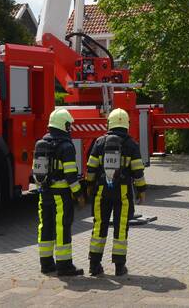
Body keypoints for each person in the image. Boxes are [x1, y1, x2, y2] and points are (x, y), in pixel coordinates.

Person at [83, 108, 146, 277]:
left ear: (109, 123)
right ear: (127, 124)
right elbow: (138, 170)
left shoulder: (99, 142)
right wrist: (141, 190)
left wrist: (89, 185)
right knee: (121, 228)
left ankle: (94, 266)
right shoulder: (132, 144)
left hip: (102, 191)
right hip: (123, 192)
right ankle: (119, 267)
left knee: (98, 227)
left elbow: (91, 168)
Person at [35, 108, 86, 277]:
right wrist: (79, 194)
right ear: (63, 125)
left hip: (44, 193)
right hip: (61, 195)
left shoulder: (41, 143)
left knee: (45, 226)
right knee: (62, 227)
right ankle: (64, 266)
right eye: (68, 125)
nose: (70, 128)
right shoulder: (66, 147)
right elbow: (70, 175)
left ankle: (46, 264)